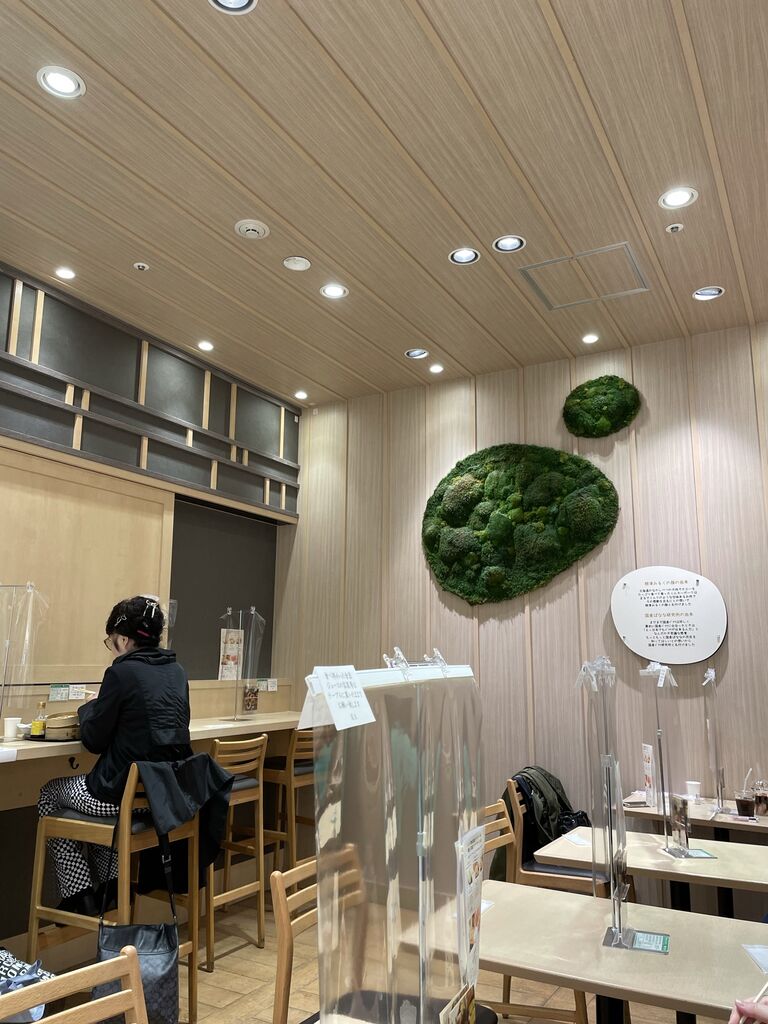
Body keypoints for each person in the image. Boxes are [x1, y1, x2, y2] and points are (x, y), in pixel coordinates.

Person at [37, 596, 193, 916]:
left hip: (121, 797)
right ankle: (112, 888)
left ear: (122, 639)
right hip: (160, 796)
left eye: (111, 642)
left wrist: (89, 708)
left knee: (49, 794)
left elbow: (93, 740)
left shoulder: (121, 673)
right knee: (103, 799)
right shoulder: (177, 672)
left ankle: (79, 894)